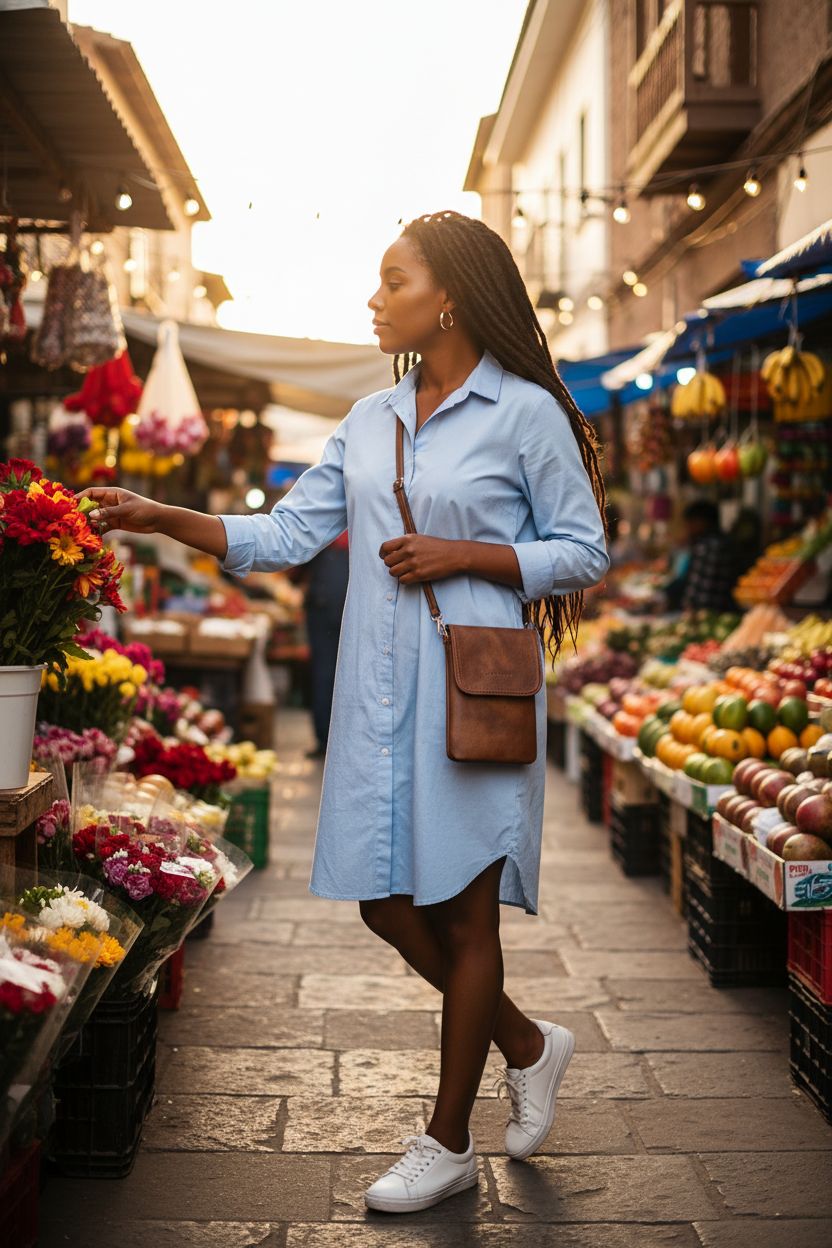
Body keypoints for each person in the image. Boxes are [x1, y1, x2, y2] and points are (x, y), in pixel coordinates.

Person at [80, 210, 609, 1215]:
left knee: (463, 911)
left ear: (445, 296)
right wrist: (161, 518)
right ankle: (529, 1046)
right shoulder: (370, 421)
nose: (373, 298)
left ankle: (446, 1141)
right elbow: (284, 532)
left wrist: (471, 555)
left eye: (391, 279)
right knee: (382, 901)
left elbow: (582, 551)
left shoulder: (525, 413)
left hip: (474, 689)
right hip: (376, 693)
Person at [301, 529, 349, 758]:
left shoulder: (325, 529)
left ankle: (325, 740)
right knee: (347, 674)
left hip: (324, 605)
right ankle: (340, 741)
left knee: (324, 673)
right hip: (349, 605)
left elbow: (297, 560)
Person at [663, 499, 737, 612]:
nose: (688, 527)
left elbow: (702, 590)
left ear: (701, 521)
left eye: (690, 522)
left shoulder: (710, 546)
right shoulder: (713, 542)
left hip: (708, 613)